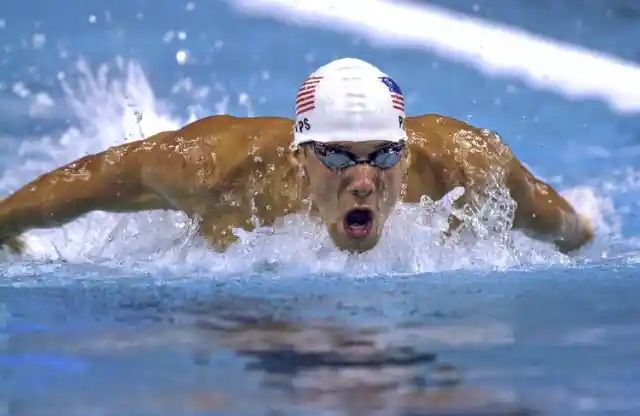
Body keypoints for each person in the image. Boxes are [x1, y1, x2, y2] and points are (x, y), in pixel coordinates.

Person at [0, 57, 594, 255]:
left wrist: (580, 233)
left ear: (406, 155)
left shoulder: (464, 164)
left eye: (382, 157)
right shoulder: (213, 170)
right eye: (338, 158)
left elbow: (550, 213)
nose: (363, 181)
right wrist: (7, 225)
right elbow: (97, 176)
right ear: (300, 156)